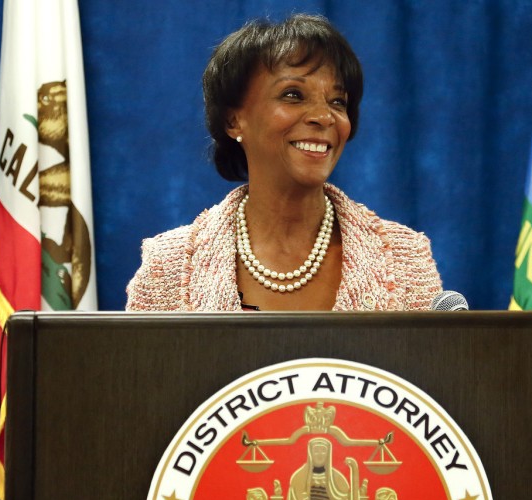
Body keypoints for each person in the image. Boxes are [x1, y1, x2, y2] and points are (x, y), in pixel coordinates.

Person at [125, 14, 442, 312]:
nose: (323, 117)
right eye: (293, 95)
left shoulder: (405, 259)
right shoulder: (168, 266)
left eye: (337, 101)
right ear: (234, 120)